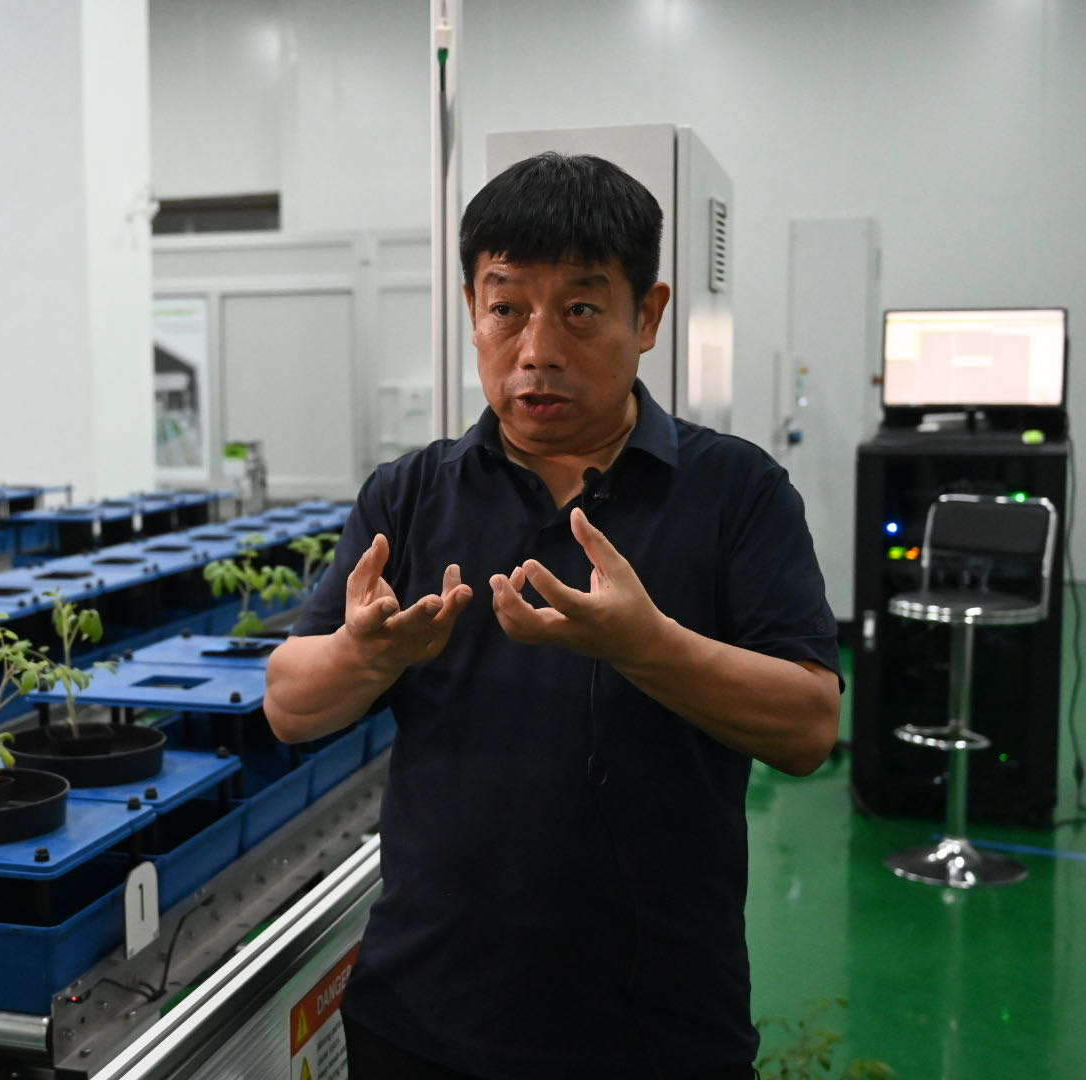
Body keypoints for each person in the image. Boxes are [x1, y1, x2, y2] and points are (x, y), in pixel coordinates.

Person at [265, 152, 841, 1079]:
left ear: (647, 316)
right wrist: (364, 656)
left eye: (579, 309)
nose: (536, 349)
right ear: (472, 310)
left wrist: (647, 647)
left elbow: (809, 725)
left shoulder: (736, 492)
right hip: (424, 1022)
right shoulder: (410, 495)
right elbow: (290, 705)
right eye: (506, 308)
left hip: (659, 1034)